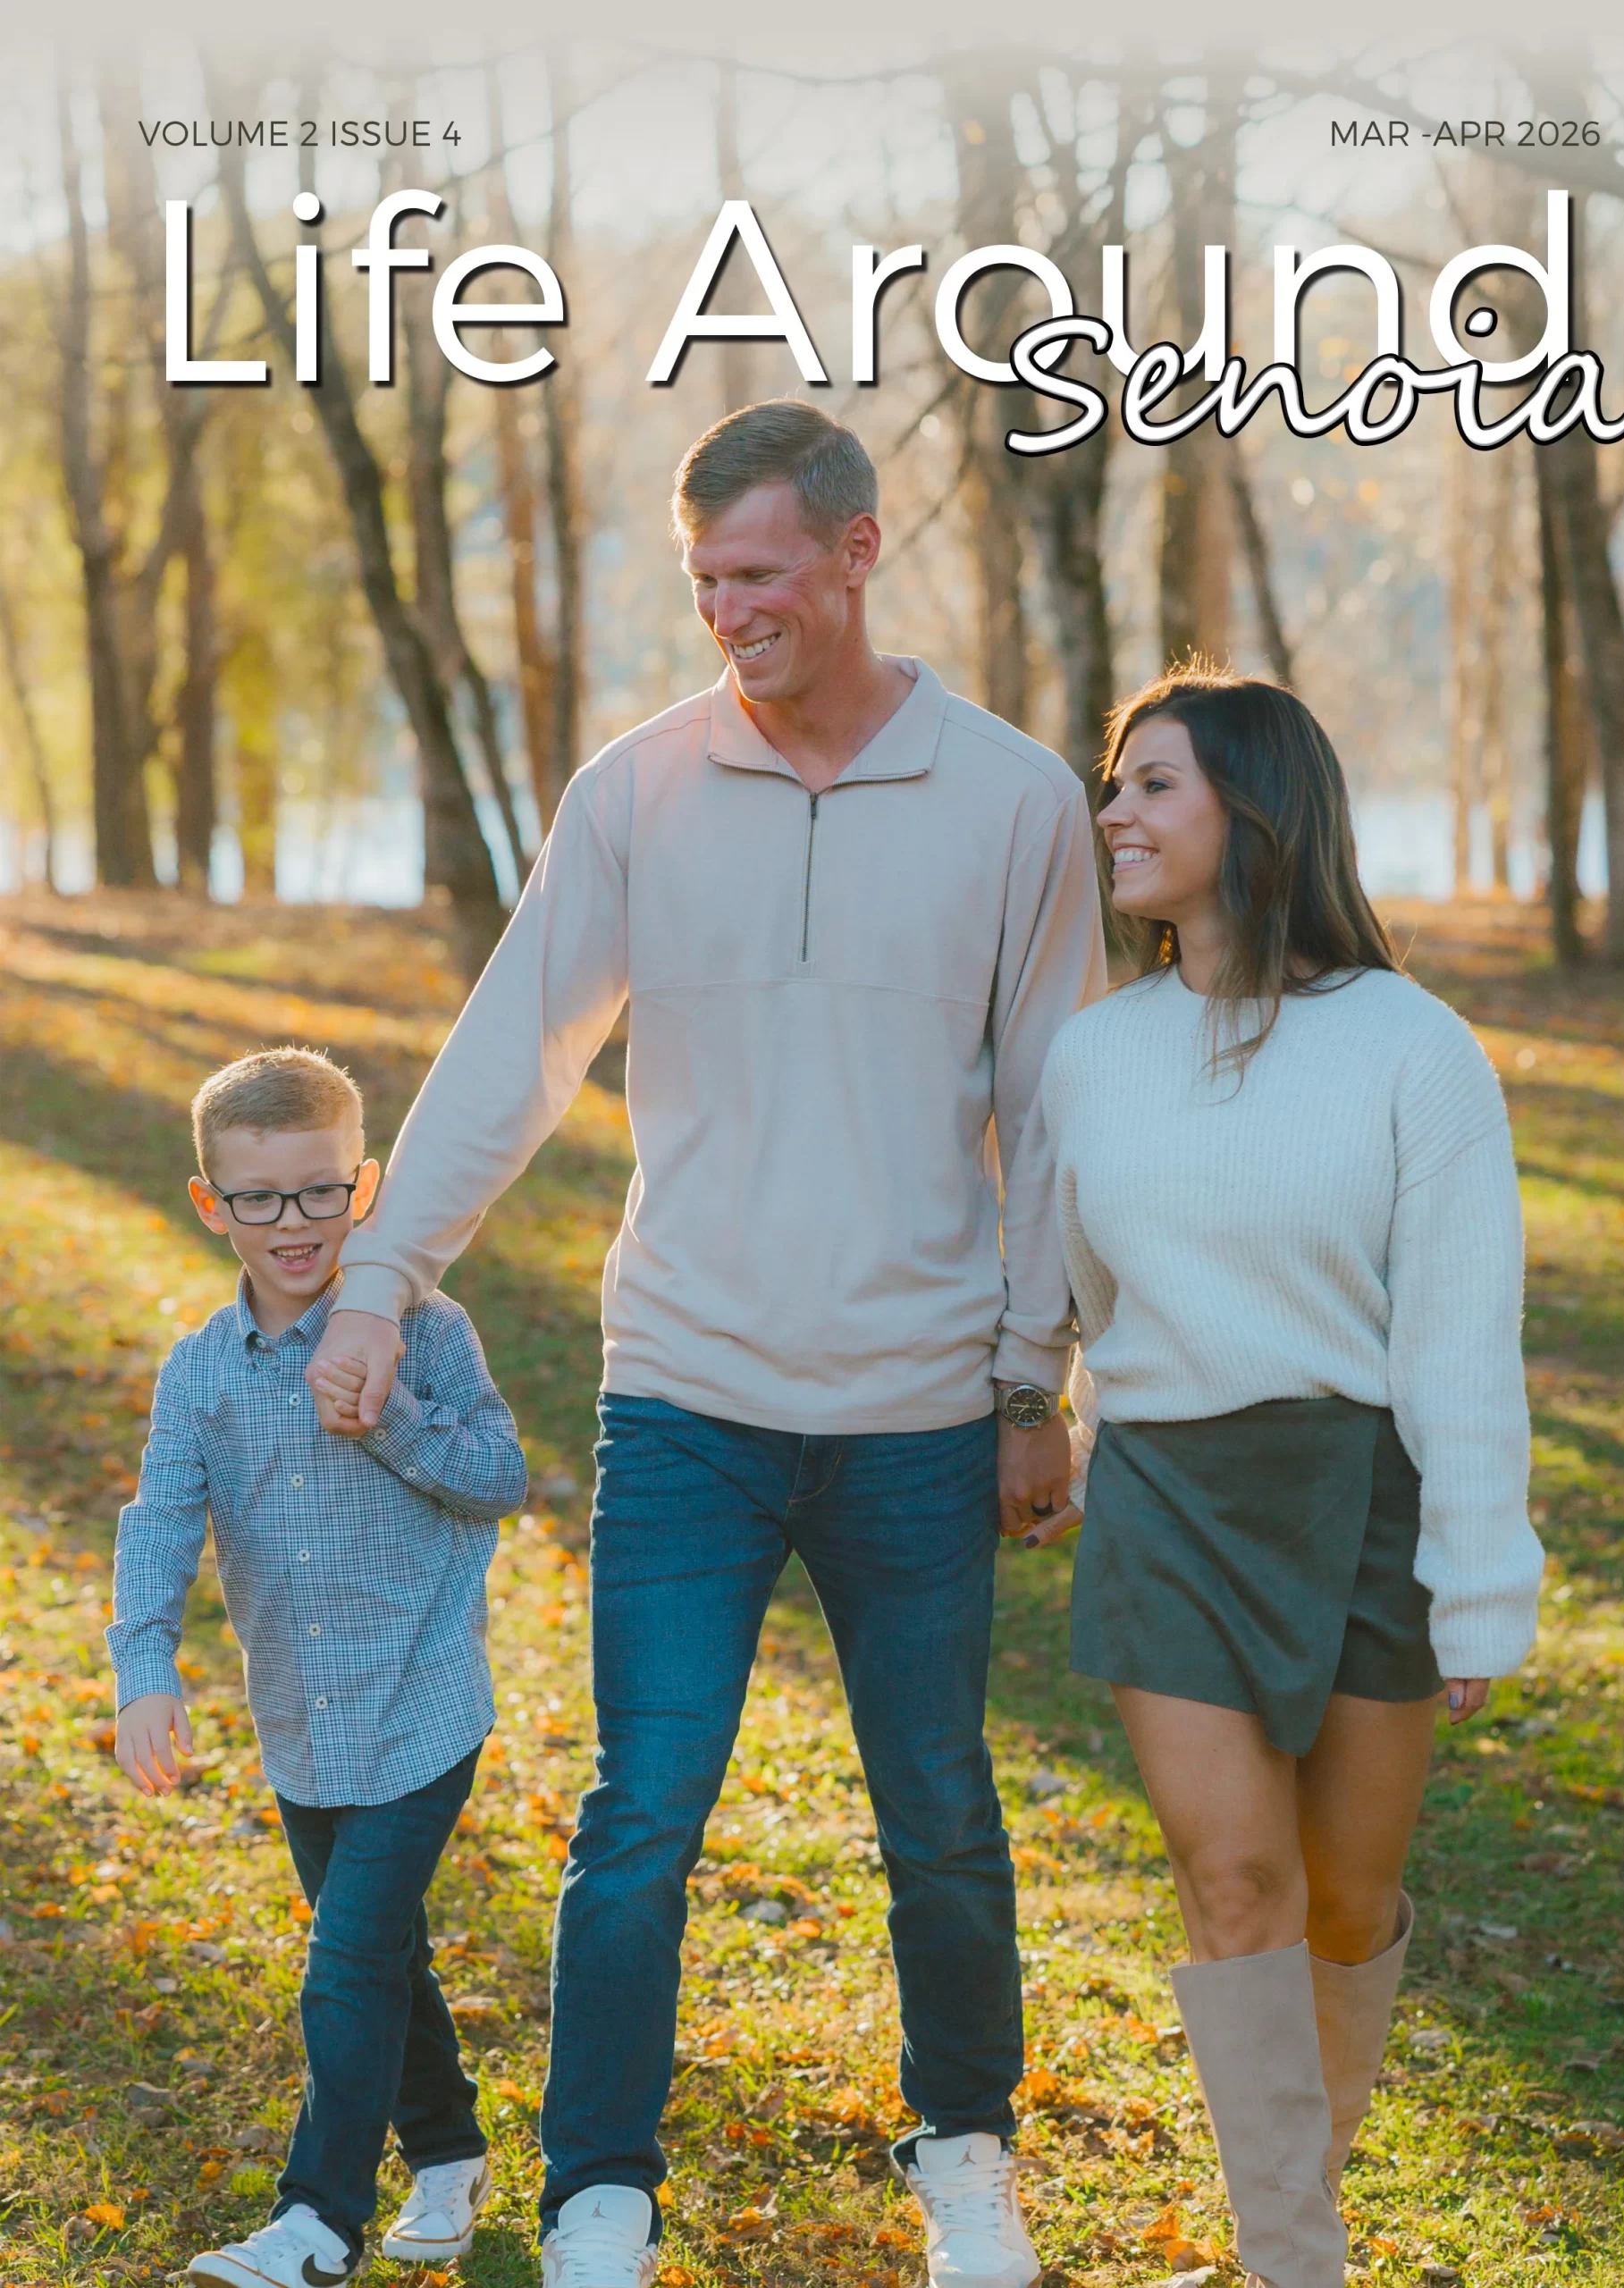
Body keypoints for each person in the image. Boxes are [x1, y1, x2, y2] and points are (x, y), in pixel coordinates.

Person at [306, 400, 1107, 2288]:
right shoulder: (636, 788)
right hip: (681, 1391)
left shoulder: (1012, 800)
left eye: (757, 573)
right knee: (639, 1810)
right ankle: (603, 2184)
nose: (727, 611)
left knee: (937, 1812)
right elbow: (513, 1051)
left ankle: (965, 2150)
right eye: (702, 581)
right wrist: (375, 1276)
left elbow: (1054, 1109)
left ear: (853, 551)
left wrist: (1029, 1375)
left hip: (918, 1405)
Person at [1027, 668, 1543, 2288]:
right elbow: (1064, 1298)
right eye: (1113, 783)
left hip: (1367, 1502)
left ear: (1255, 813)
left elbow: (1462, 1338)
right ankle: (1293, 2258)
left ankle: (1286, 2230)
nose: (1113, 810)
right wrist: (1029, 1411)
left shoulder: (1414, 1049)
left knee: (1341, 1894)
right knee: (1232, 1875)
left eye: (1152, 784)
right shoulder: (1092, 1060)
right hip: (1171, 1493)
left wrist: (1480, 1585)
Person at [106, 1047, 528, 2288]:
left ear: (368, 1187)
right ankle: (448, 2153)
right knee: (384, 1951)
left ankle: (320, 2220)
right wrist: (146, 1670)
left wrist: (387, 1414)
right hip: (301, 1724)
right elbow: (158, 1523)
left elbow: (499, 1478)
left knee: (346, 1957)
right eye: (259, 1198)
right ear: (211, 1203)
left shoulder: (427, 1329)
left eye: (319, 1192)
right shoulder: (200, 1372)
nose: (292, 1224)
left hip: (421, 1709)